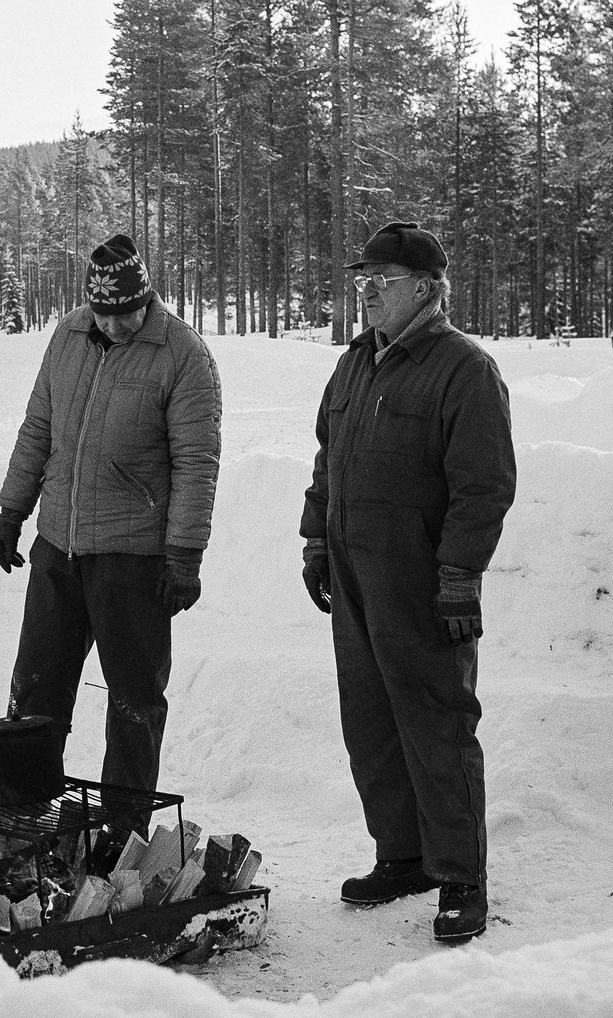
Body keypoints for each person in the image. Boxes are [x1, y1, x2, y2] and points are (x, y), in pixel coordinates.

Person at [300, 221, 517, 941]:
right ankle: (404, 855)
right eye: (361, 281)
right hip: (355, 570)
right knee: (371, 721)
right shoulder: (355, 363)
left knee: (436, 723)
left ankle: (460, 876)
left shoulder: (463, 369)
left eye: (381, 283)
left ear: (426, 290)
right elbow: (328, 458)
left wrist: (459, 574)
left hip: (422, 580)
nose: (366, 294)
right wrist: (314, 541)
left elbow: (483, 485)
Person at [0, 233, 221, 844]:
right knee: (37, 685)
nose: (116, 326)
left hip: (133, 555)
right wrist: (13, 510)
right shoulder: (67, 337)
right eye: (104, 314)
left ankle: (123, 829)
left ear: (146, 300)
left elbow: (197, 461)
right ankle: (21, 818)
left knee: (134, 701)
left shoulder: (182, 355)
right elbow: (38, 427)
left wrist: (184, 555)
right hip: (58, 547)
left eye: (127, 314)